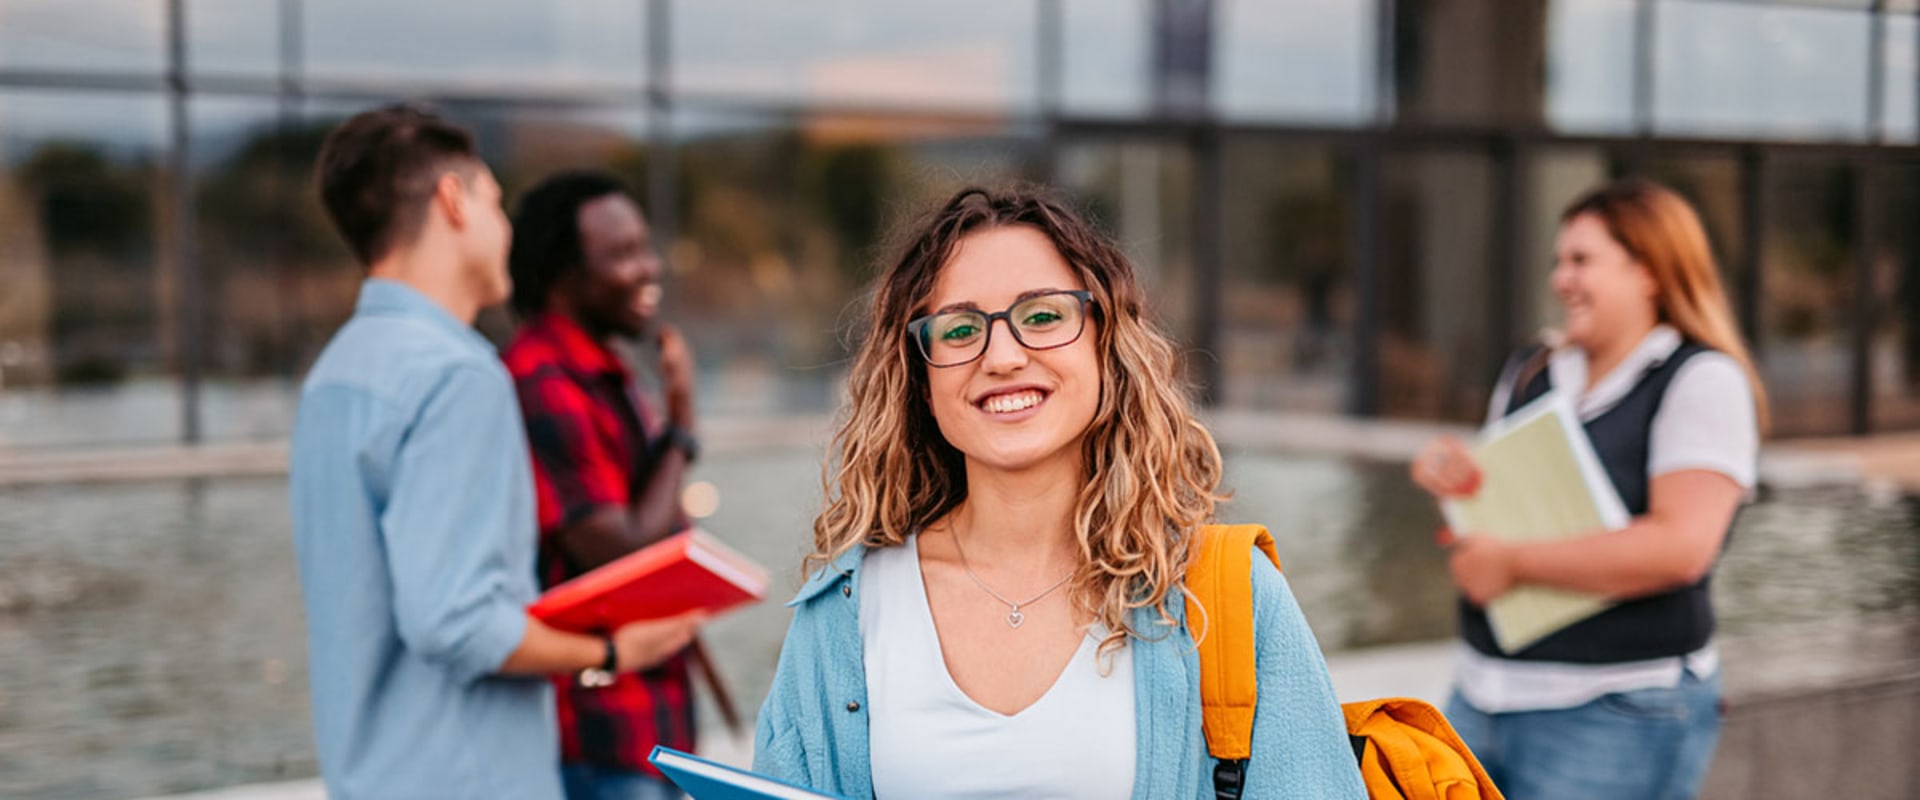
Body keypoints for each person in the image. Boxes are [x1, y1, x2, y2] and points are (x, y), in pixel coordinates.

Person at [751, 186, 1366, 798]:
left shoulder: (1226, 594)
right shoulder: (844, 614)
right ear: (920, 375)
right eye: (961, 329)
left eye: (1042, 316)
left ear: (1106, 343)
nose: (1002, 356)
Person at [289, 106, 702, 800]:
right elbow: (456, 623)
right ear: (453, 200)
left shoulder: (334, 374)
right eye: (494, 201)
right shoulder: (458, 375)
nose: (504, 228)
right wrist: (609, 653)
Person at [1410, 178, 1769, 800]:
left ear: (1651, 272)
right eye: (1558, 261)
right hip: (1482, 693)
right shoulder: (1534, 367)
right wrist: (1456, 473)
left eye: (1581, 260)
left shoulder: (1701, 379)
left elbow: (1680, 549)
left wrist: (1511, 564)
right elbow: (1506, 494)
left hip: (1616, 707)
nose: (1560, 279)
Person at [503, 171, 707, 800]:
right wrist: (680, 428)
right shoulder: (543, 381)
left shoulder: (605, 373)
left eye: (645, 247)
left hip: (646, 725)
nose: (649, 268)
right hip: (599, 738)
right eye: (622, 254)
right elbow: (622, 551)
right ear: (564, 274)